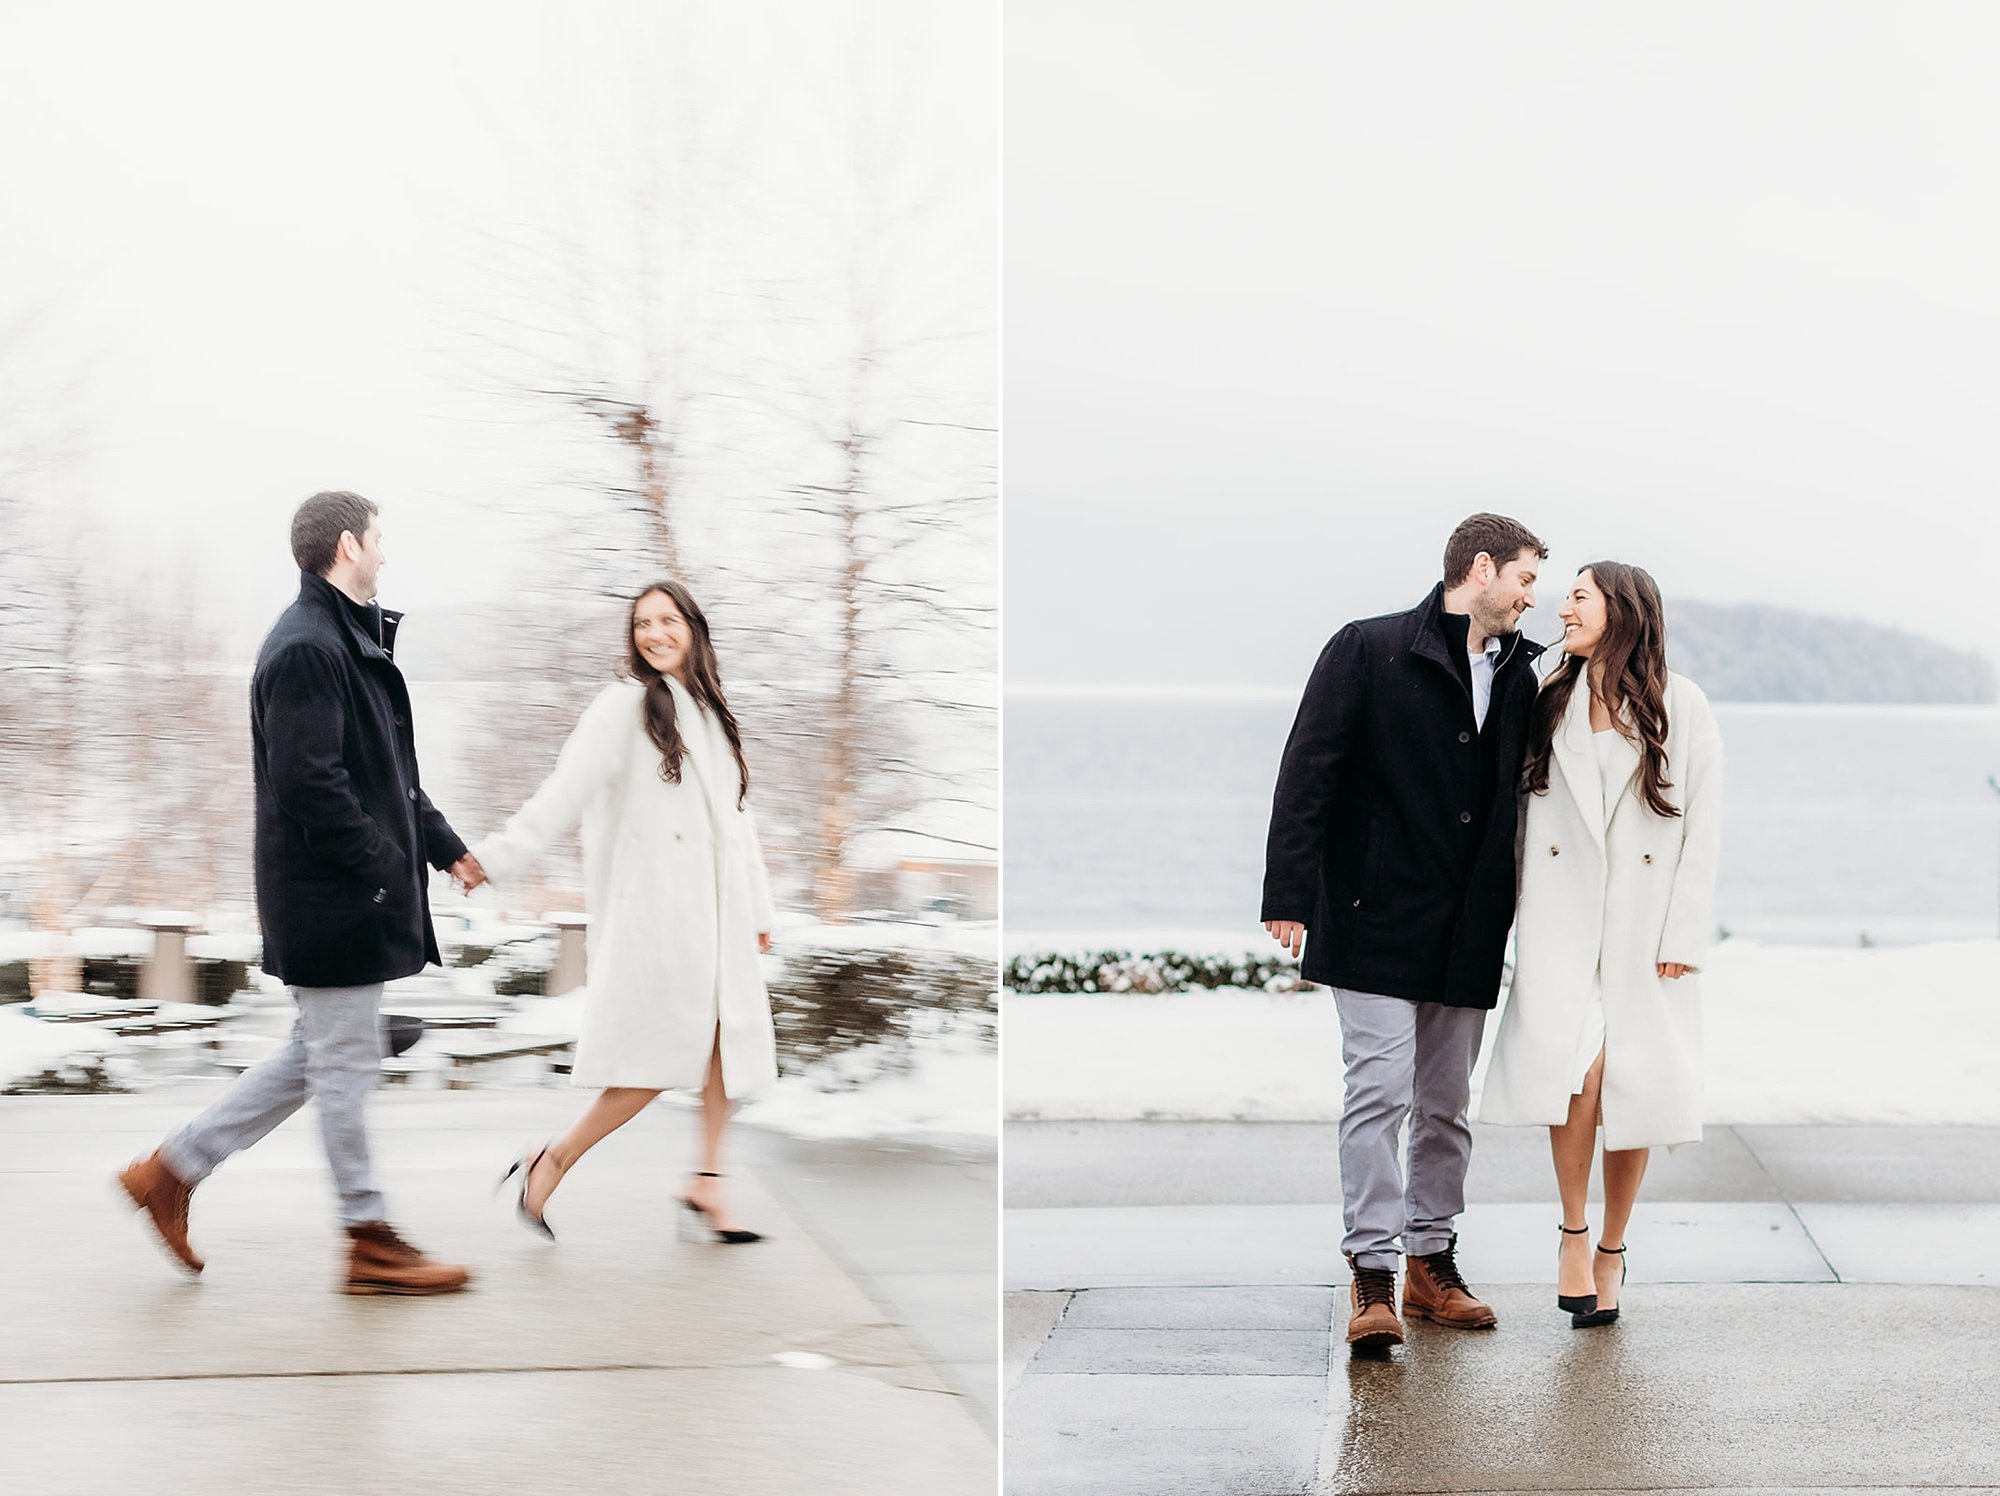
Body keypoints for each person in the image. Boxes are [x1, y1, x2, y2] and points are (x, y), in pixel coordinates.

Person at [119, 490, 482, 1295]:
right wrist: (385, 866)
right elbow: (309, 783)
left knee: (316, 1057)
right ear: (348, 546)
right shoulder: (308, 649)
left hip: (347, 895)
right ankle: (369, 1238)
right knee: (344, 1068)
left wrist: (443, 847)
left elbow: (389, 780)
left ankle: (170, 1172)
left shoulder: (345, 645)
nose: (386, 552)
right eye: (379, 538)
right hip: (334, 901)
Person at [1262, 513, 1547, 1354]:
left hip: (1467, 925)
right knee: (1380, 1092)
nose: (1531, 597)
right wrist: (1290, 891)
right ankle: (1373, 1275)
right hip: (1371, 915)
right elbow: (1308, 768)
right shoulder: (1368, 647)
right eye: (1527, 579)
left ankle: (1432, 1263)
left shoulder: (1523, 673)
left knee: (1446, 1106)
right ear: (1483, 568)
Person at [476, 581, 779, 1245]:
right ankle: (550, 1159)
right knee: (651, 1065)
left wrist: (757, 907)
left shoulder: (710, 711)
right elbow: (564, 792)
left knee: (726, 1051)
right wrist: (495, 858)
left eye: (667, 620)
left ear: (693, 628)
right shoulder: (623, 707)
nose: (654, 633)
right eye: (643, 623)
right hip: (663, 921)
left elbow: (737, 822)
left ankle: (707, 1181)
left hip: (719, 919)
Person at [1476, 561, 1723, 1327]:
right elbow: (1514, 818)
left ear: (1621, 608)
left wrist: (1684, 930)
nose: (1563, 606)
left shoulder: (1682, 705)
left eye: (1578, 594)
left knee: (1633, 1082)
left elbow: (1704, 829)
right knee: (1576, 1076)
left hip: (1644, 932)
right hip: (1561, 922)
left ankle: (1613, 1246)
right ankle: (1574, 1235)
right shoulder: (1550, 700)